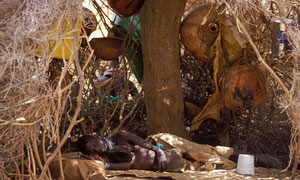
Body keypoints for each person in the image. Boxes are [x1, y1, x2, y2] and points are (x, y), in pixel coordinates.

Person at [77, 130, 168, 172]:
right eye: (93, 151)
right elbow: (126, 165)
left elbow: (149, 146)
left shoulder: (121, 136)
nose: (97, 149)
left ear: (97, 137)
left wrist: (160, 153)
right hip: (158, 168)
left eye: (95, 144)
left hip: (164, 158)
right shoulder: (105, 157)